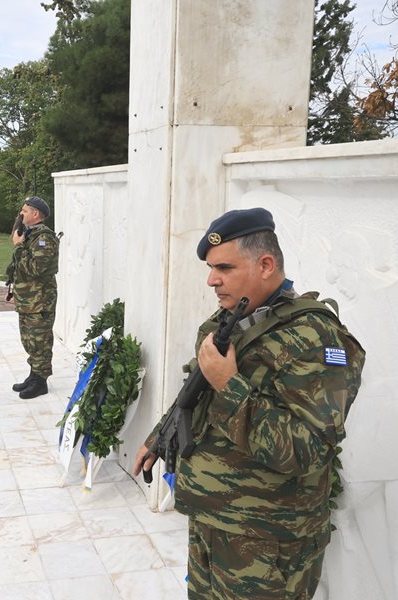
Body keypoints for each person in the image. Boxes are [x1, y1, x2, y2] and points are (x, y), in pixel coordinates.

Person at [132, 207, 366, 599]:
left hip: (266, 541)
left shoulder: (316, 338)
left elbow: (305, 450)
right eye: (210, 268)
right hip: (215, 521)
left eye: (223, 267)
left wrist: (230, 383)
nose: (212, 280)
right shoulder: (234, 318)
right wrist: (160, 437)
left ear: (265, 264)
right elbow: (197, 392)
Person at [7, 196, 60, 399]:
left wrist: (19, 246)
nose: (21, 214)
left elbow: (36, 269)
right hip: (29, 301)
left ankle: (41, 381)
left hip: (40, 302)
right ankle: (34, 375)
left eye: (25, 211)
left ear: (36, 214)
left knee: (40, 341)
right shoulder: (30, 235)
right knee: (29, 341)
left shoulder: (44, 238)